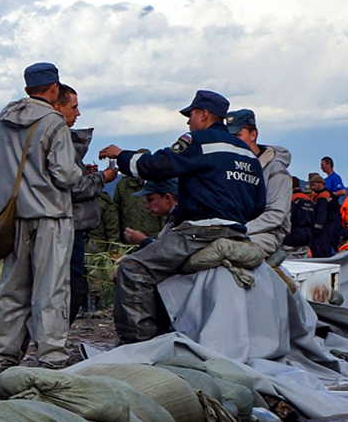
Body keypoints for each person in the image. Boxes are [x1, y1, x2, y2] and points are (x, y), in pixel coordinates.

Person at [98, 90, 267, 344]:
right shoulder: (247, 153)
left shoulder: (198, 142)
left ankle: (138, 348)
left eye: (191, 115)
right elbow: (258, 205)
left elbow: (157, 166)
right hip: (237, 232)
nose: (188, 121)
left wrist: (122, 156)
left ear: (204, 115)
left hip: (199, 232)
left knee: (134, 269)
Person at [0, 62, 84, 370]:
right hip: (51, 216)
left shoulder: (0, 120)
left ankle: (2, 358)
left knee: (12, 291)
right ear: (54, 89)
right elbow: (65, 174)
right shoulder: (53, 121)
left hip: (12, 218)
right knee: (50, 289)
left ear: (27, 88)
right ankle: (51, 357)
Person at [54, 84, 116, 319]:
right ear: (57, 107)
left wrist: (84, 172)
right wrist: (103, 178)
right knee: (72, 287)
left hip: (72, 228)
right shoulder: (60, 142)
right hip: (68, 227)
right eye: (74, 107)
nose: (78, 113)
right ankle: (53, 342)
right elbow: (72, 188)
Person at [225, 109, 292, 258]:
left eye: (237, 135)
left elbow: (276, 214)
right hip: (235, 231)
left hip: (267, 233)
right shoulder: (232, 165)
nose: (232, 141)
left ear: (253, 135)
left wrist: (239, 229)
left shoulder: (275, 169)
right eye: (229, 137)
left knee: (233, 254)